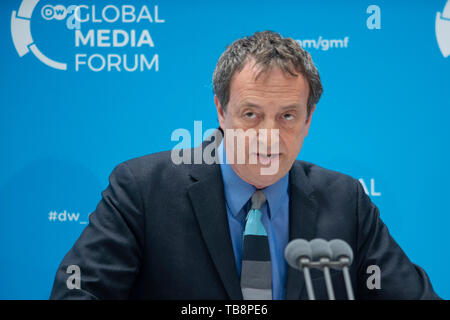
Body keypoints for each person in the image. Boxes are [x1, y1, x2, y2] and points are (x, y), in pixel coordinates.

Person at [50, 31, 440, 300]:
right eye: (251, 114)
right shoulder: (141, 189)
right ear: (221, 111)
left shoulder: (346, 201)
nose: (268, 135)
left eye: (287, 116)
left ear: (308, 120)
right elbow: (78, 291)